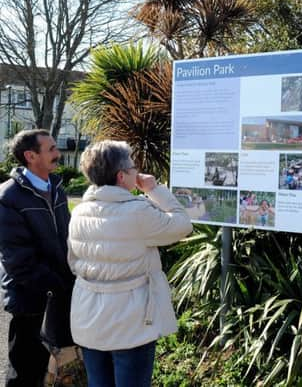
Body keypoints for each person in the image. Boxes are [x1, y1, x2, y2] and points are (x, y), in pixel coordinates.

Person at [68, 141, 192, 387]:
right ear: (122, 176)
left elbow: (73, 262)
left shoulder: (79, 212)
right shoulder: (137, 211)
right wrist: (154, 189)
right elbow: (182, 224)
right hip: (131, 322)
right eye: (134, 167)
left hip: (88, 316)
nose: (138, 172)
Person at [0, 129, 75, 386]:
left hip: (60, 296)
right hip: (29, 301)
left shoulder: (57, 188)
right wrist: (59, 284)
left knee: (55, 372)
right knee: (25, 374)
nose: (58, 154)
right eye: (51, 149)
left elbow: (68, 240)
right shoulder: (8, 197)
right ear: (31, 156)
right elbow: (18, 262)